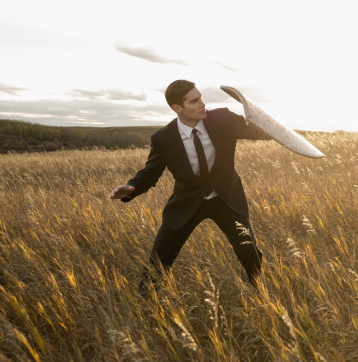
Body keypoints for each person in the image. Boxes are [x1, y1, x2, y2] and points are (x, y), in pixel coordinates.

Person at [109, 79, 272, 294]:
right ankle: (146, 302)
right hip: (187, 204)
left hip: (226, 199)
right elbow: (151, 172)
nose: (202, 104)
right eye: (194, 101)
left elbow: (263, 133)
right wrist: (132, 188)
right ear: (177, 108)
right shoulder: (163, 138)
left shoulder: (223, 118)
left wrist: (258, 120)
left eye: (201, 98)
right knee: (159, 261)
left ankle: (254, 293)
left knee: (249, 251)